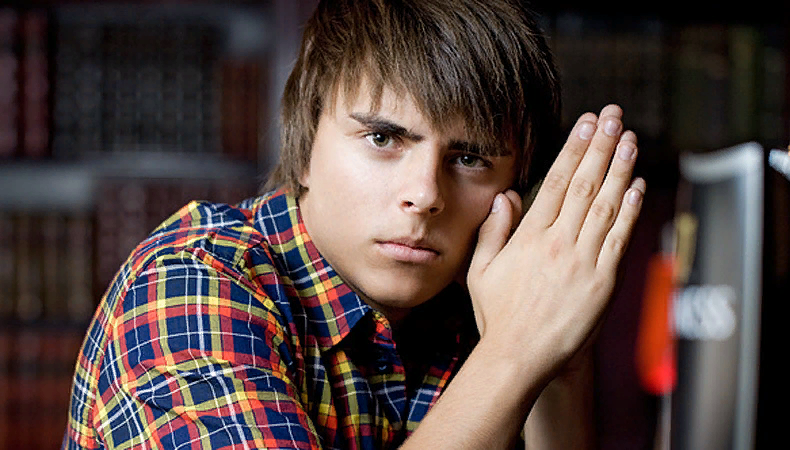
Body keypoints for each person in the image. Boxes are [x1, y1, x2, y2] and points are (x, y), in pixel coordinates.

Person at [63, 0, 645, 448]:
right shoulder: (191, 282)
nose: (425, 195)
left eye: (470, 158)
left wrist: (557, 365)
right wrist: (514, 352)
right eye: (383, 138)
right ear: (304, 148)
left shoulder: (482, 300)